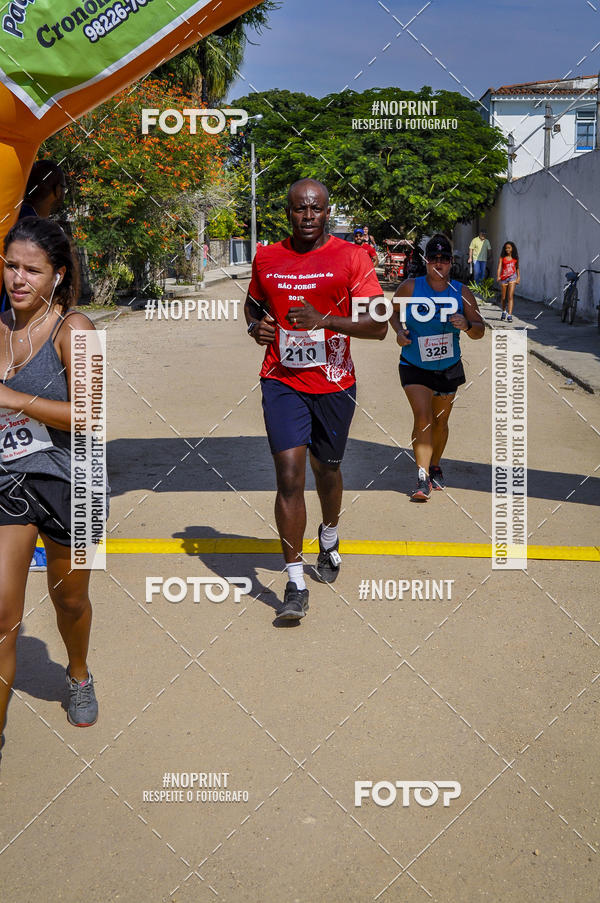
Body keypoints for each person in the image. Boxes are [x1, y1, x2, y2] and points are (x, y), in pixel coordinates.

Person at [245, 178, 386, 619]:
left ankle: (329, 534)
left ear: (328, 212)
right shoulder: (267, 257)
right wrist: (255, 327)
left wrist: (326, 319)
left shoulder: (352, 258)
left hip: (335, 383)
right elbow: (253, 305)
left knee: (328, 469)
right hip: (281, 379)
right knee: (289, 475)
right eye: (299, 209)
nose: (307, 216)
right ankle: (294, 581)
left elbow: (379, 325)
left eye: (316, 209)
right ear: (287, 211)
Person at [0, 217, 104, 750]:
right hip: (9, 479)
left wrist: (15, 399)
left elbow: (92, 414)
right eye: (11, 265)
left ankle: (79, 673)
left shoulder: (77, 329)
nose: (18, 279)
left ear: (57, 276)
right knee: (0, 606)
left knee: (70, 602)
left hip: (76, 483)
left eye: (31, 270)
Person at [390, 234, 485, 501]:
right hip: (414, 364)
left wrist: (466, 325)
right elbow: (393, 312)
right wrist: (399, 332)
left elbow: (480, 330)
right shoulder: (411, 287)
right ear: (427, 261)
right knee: (423, 418)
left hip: (448, 367)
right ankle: (422, 479)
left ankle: (434, 466)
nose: (439, 264)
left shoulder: (461, 292)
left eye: (444, 259)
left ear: (450, 263)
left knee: (441, 421)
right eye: (434, 258)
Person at [496, 241, 520, 323]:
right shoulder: (502, 258)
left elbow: (517, 268)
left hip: (512, 277)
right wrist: (498, 276)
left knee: (510, 296)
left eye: (509, 248)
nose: (507, 249)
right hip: (504, 278)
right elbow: (499, 267)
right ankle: (503, 311)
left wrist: (518, 277)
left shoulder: (515, 258)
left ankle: (509, 315)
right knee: (503, 298)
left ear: (512, 248)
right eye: (506, 248)